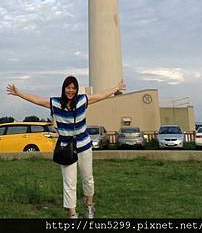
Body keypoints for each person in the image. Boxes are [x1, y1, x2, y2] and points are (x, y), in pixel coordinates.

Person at [7, 75, 126, 219]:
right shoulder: (55, 103)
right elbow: (37, 100)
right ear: (64, 88)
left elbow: (100, 96)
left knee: (88, 178)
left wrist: (116, 88)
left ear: (76, 90)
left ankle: (89, 205)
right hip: (66, 149)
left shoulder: (83, 100)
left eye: (74, 88)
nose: (71, 90)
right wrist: (19, 93)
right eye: (68, 87)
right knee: (69, 183)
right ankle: (72, 214)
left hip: (84, 146)